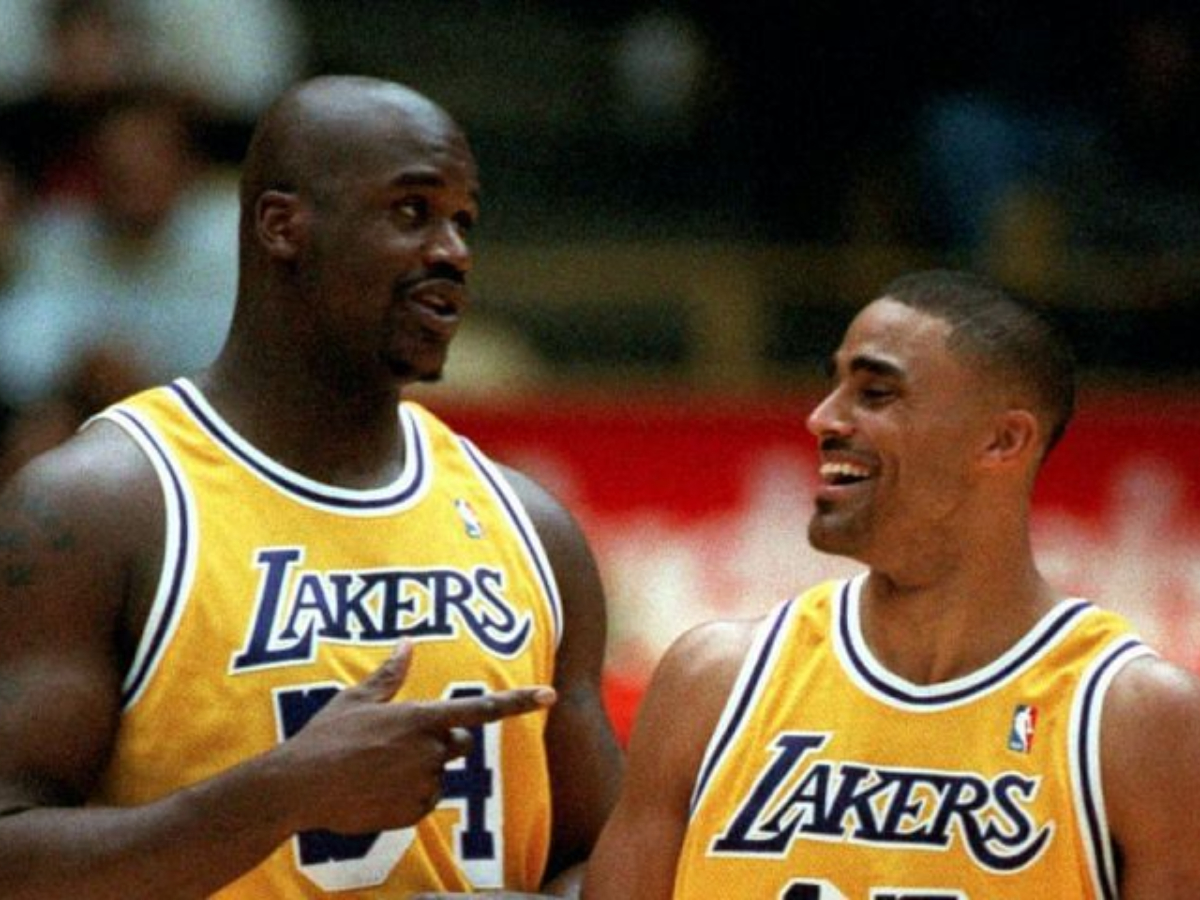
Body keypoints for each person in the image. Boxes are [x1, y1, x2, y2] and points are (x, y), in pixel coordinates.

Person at [0, 74, 622, 897]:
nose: (452, 252)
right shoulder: (99, 508)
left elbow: (609, 859)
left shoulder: (532, 527)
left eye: (462, 221)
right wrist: (279, 797)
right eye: (412, 212)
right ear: (281, 225)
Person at [582, 269, 1200, 898]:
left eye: (875, 393)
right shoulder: (713, 683)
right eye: (833, 385)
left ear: (1002, 439)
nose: (822, 418)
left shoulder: (1137, 722)